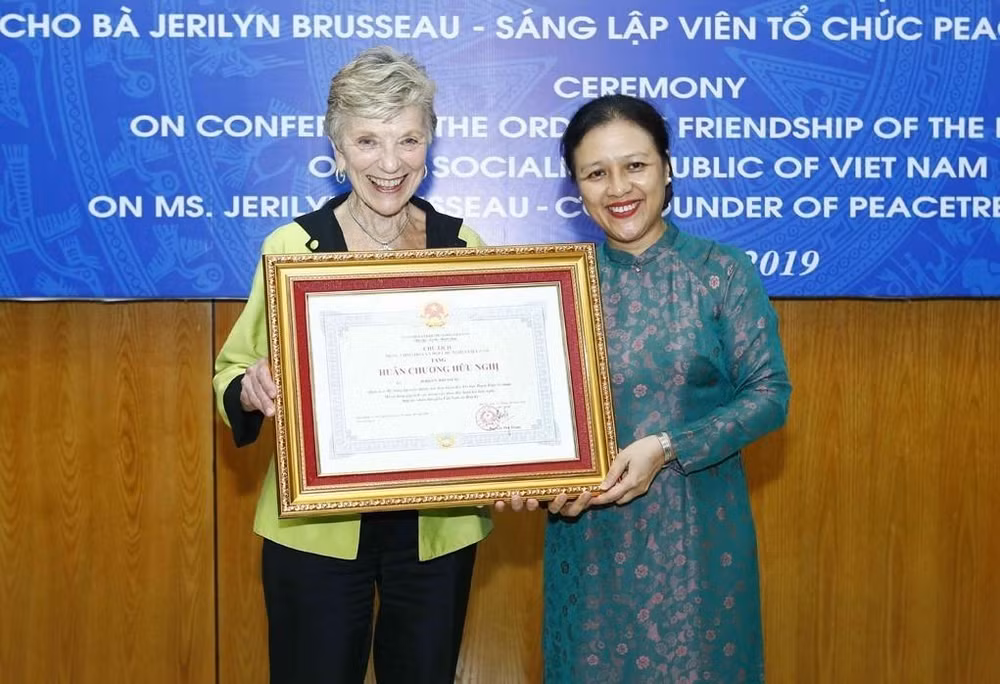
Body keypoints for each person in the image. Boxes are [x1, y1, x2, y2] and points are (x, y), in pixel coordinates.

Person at [212, 46, 491, 684]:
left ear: (430, 146)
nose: (389, 164)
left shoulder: (463, 247)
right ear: (337, 150)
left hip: (436, 532)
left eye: (408, 139)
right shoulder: (292, 247)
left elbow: (488, 380)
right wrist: (252, 389)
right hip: (315, 530)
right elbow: (230, 371)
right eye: (367, 140)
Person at [521, 95, 792, 683]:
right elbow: (533, 419)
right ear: (577, 187)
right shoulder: (558, 289)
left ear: (667, 168)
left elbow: (769, 393)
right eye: (596, 173)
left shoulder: (721, 271)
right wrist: (544, 485)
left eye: (635, 165)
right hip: (588, 543)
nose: (619, 187)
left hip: (698, 541)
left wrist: (666, 447)